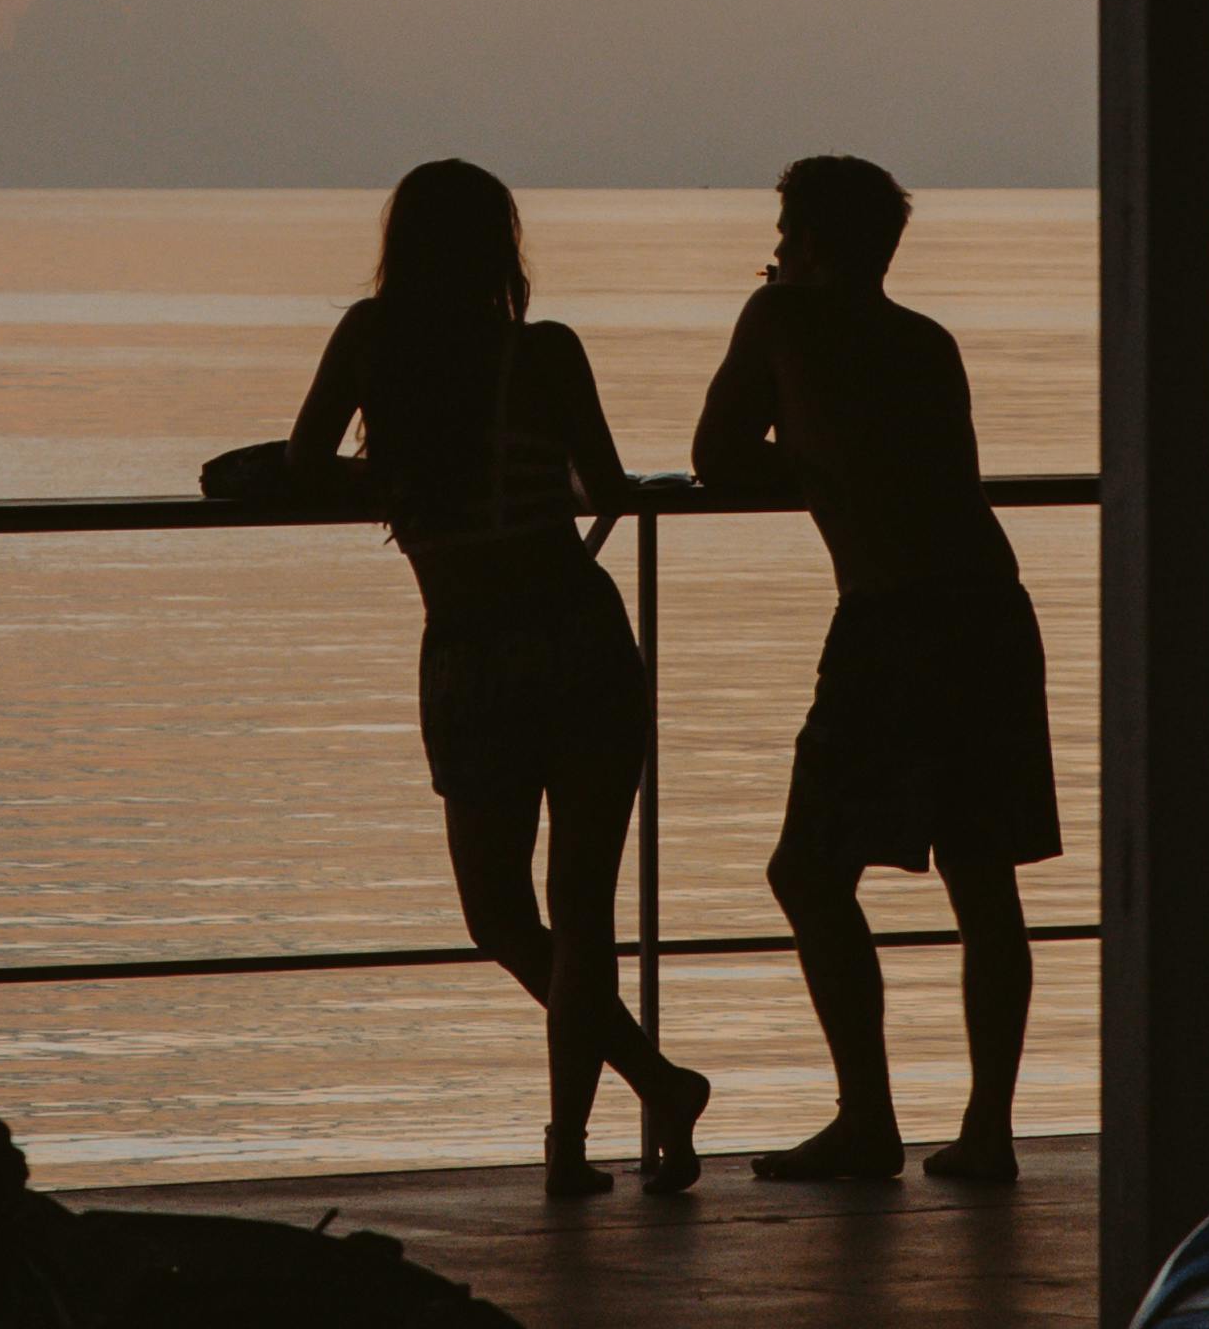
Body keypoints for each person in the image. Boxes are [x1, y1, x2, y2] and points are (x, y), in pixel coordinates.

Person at [288, 160, 712, 1198]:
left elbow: (303, 462)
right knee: (582, 907)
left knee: (499, 914)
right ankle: (598, 1127)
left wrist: (395, 480)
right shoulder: (546, 353)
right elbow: (604, 486)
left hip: (470, 647)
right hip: (578, 635)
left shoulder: (368, 340)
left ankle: (640, 1099)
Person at [691, 154, 1059, 1186]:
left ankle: (867, 1117)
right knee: (980, 878)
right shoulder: (924, 340)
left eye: (784, 233)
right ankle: (986, 1129)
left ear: (804, 244)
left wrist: (802, 464)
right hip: (989, 609)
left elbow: (716, 452)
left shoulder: (780, 323)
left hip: (891, 617)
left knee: (806, 870)